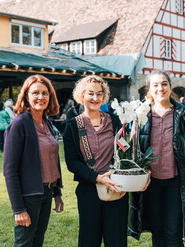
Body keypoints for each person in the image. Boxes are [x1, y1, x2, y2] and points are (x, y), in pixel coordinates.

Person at [135, 70, 185, 246]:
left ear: (170, 87)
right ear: (149, 89)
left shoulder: (182, 112)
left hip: (175, 180)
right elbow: (134, 144)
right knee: (157, 231)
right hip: (150, 182)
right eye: (155, 85)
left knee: (173, 232)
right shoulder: (141, 113)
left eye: (164, 84)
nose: (160, 88)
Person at [63, 75, 127, 247]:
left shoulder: (115, 121)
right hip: (89, 190)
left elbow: (125, 152)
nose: (95, 98)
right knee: (89, 241)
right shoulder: (72, 126)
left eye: (100, 94)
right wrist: (97, 177)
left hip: (116, 187)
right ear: (82, 95)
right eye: (90, 93)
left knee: (117, 240)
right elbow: (72, 162)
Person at [4, 74, 64, 246]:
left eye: (45, 93)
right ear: (26, 96)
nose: (41, 97)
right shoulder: (19, 124)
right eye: (35, 93)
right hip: (29, 195)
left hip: (47, 192)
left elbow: (53, 158)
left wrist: (57, 193)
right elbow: (10, 171)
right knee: (24, 243)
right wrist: (18, 209)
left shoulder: (47, 123)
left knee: (38, 241)